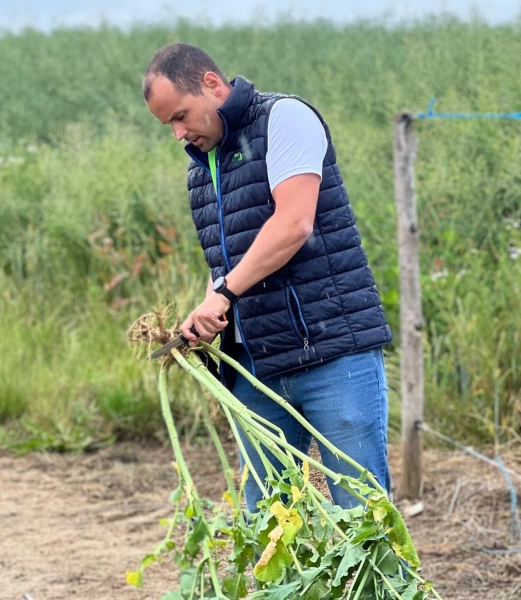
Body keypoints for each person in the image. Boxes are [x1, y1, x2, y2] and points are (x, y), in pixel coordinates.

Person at [143, 43, 393, 512]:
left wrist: (223, 293)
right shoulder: (202, 170)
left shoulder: (286, 118)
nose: (178, 133)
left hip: (331, 351)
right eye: (168, 125)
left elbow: (293, 224)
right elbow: (226, 261)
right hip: (257, 366)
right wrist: (209, 311)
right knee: (268, 520)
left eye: (181, 115)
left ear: (212, 85)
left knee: (364, 513)